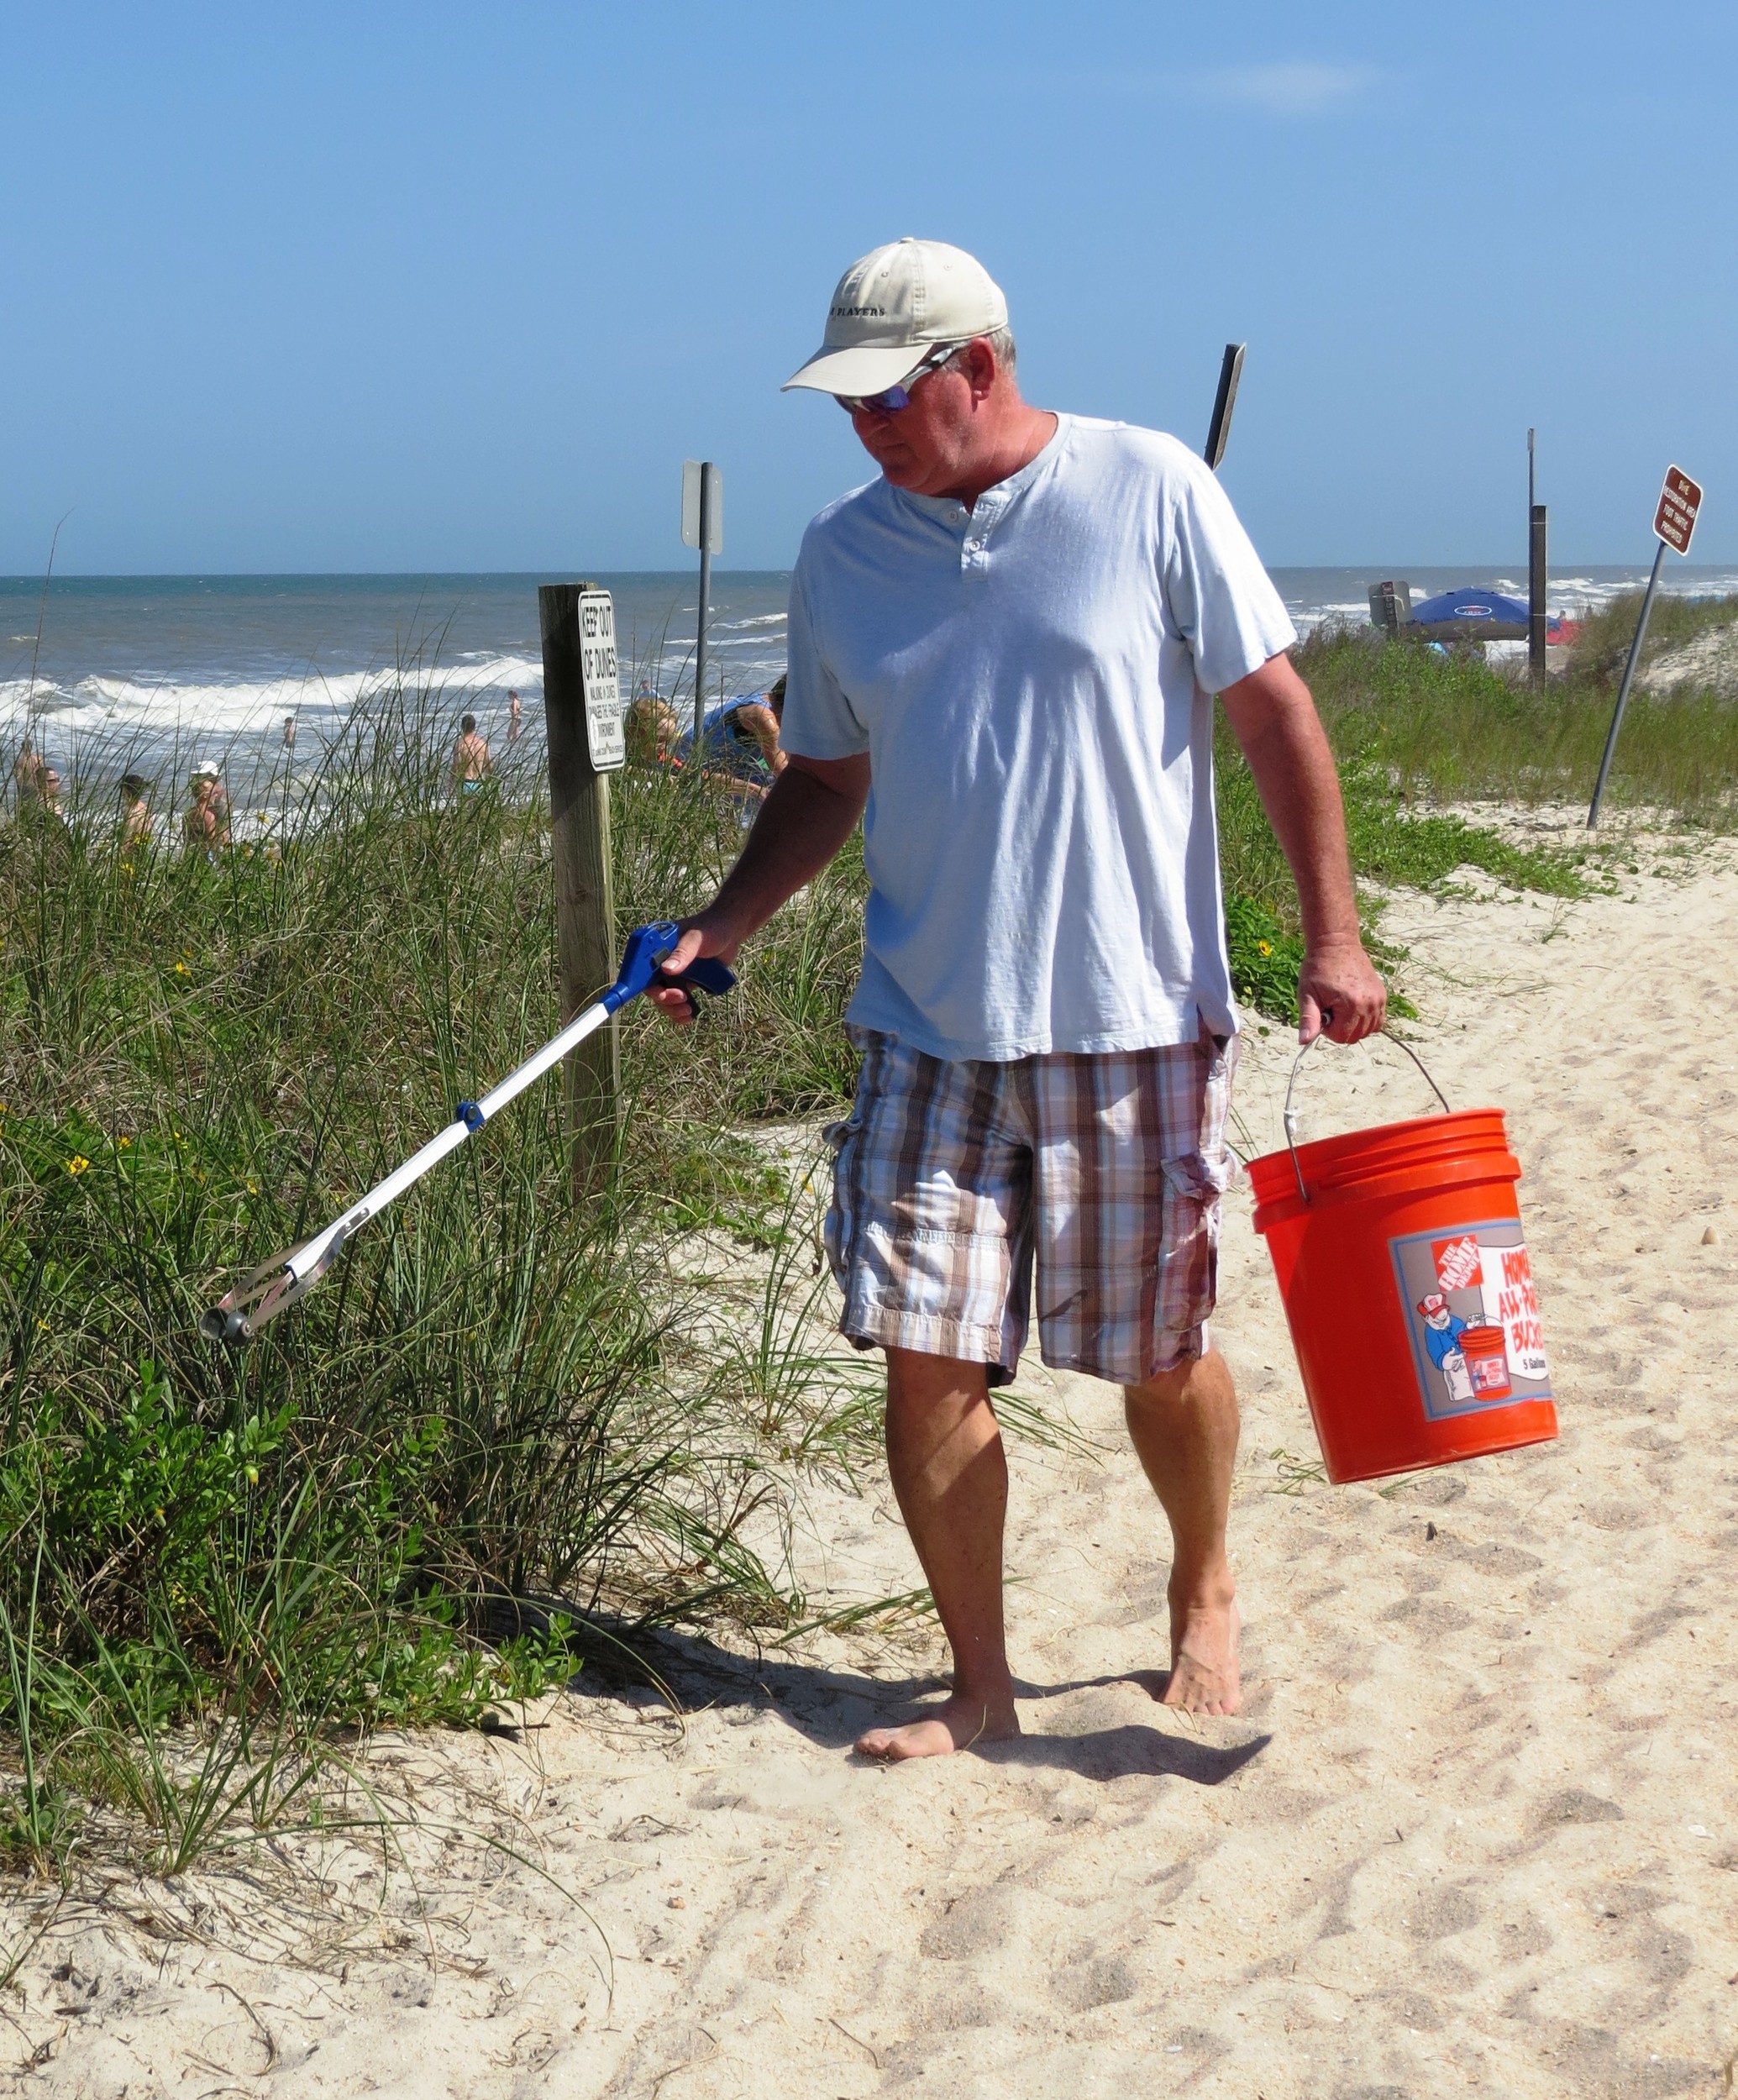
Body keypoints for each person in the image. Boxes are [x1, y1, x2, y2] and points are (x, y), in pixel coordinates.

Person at [651, 237, 1386, 1761]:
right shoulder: (840, 552)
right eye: (842, 405)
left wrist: (1334, 936)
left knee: (1155, 1352)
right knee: (922, 1359)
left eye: (882, 399)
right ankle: (978, 1686)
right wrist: (721, 924)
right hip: (925, 1021)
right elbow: (826, 778)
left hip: (1131, 1016)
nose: (860, 428)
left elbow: (1269, 711)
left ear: (974, 365)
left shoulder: (1147, 486)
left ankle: (1201, 1587)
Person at [677, 676, 788, 803]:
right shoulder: (763, 716)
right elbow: (784, 774)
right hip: (692, 773)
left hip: (733, 771)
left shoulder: (778, 709)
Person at [184, 761, 230, 850]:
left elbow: (224, 828)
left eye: (200, 779)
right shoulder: (212, 796)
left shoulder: (221, 799)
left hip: (215, 846)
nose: (194, 785)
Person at [451, 714, 491, 794]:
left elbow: (456, 767)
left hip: (465, 783)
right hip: (479, 783)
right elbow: (489, 765)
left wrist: (451, 786)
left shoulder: (460, 744)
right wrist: (489, 782)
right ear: (474, 727)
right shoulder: (483, 744)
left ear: (462, 727)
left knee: (463, 806)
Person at [118, 773, 154, 848]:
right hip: (144, 849)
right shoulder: (144, 807)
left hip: (132, 855)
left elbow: (126, 844)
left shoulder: (131, 813)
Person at [13, 737, 46, 803]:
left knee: (25, 806)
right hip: (37, 786)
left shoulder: (20, 761)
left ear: (22, 748)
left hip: (26, 787)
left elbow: (18, 777)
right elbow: (43, 773)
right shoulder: (39, 759)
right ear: (31, 747)